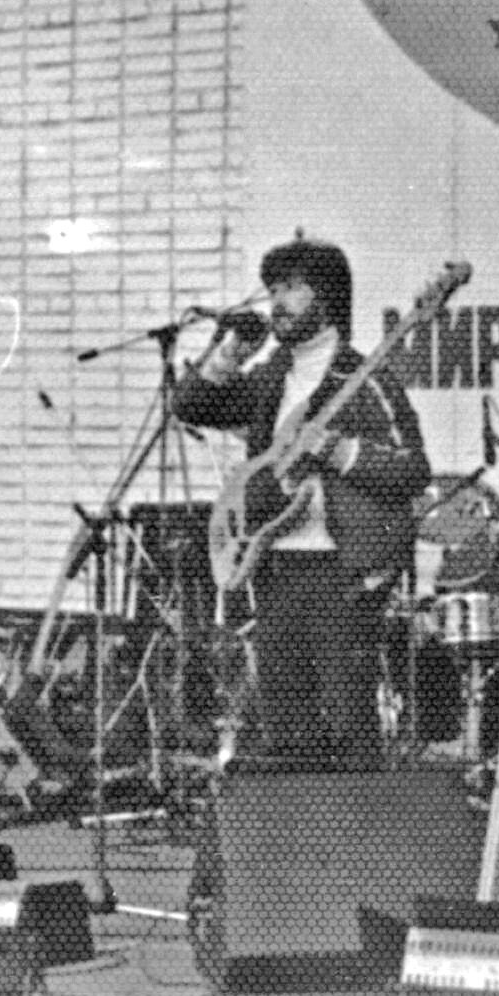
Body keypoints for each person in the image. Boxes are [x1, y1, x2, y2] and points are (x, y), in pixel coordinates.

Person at [173, 238, 431, 770]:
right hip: (275, 566)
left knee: (346, 727)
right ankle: (297, 823)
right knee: (287, 727)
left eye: (292, 288)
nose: (278, 302)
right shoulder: (272, 377)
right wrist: (231, 348)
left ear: (327, 297)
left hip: (343, 572)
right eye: (273, 290)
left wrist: (338, 450)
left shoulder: (365, 379)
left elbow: (412, 469)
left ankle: (358, 821)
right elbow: (193, 405)